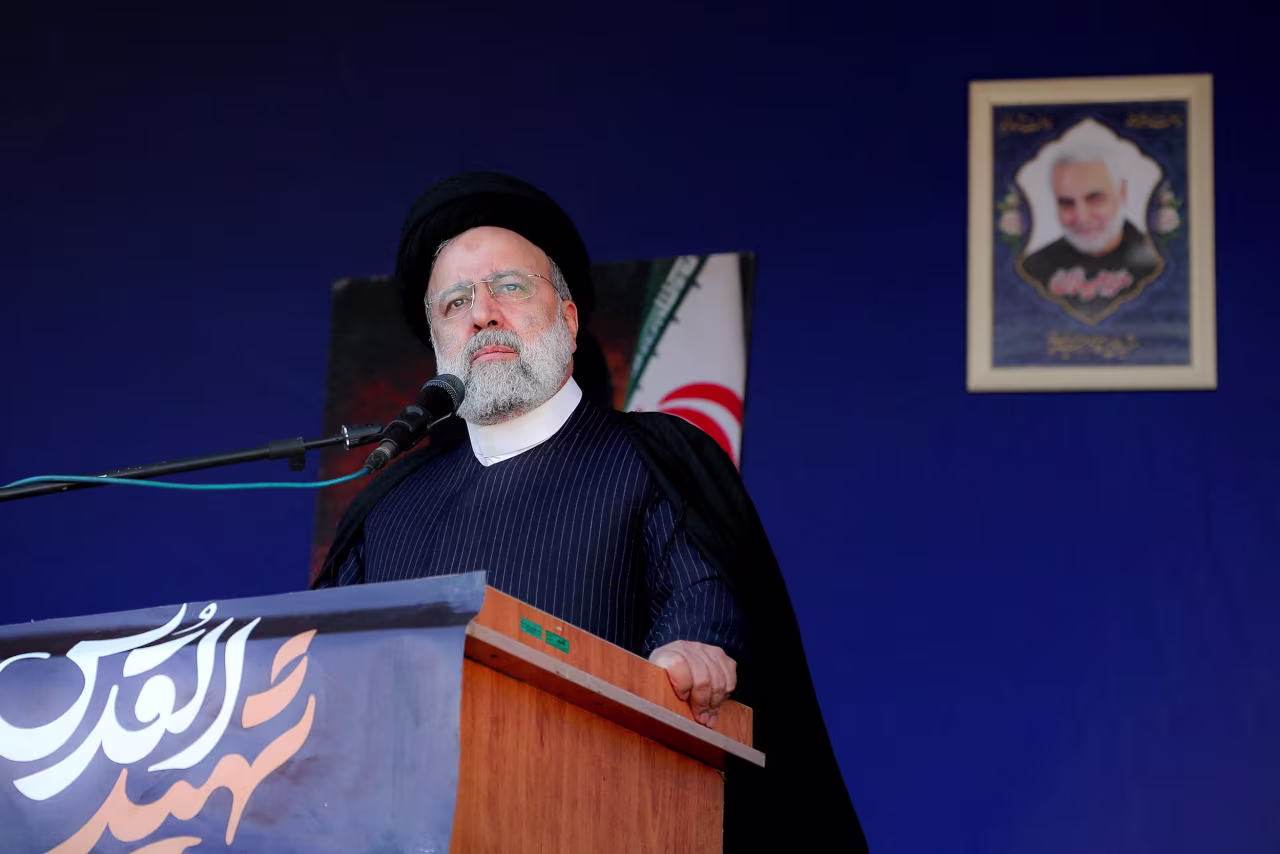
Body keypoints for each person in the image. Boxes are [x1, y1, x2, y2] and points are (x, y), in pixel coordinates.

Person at [314, 171, 868, 851]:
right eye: (455, 302)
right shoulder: (386, 508)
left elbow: (703, 606)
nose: (483, 312)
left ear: (569, 320)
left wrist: (691, 655)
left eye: (509, 287)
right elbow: (318, 685)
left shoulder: (655, 456)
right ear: (438, 344)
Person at [1019, 143, 1162, 324]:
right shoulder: (1032, 271)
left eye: (1095, 199)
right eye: (1066, 203)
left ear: (1122, 192)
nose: (1082, 217)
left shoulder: (1157, 265)